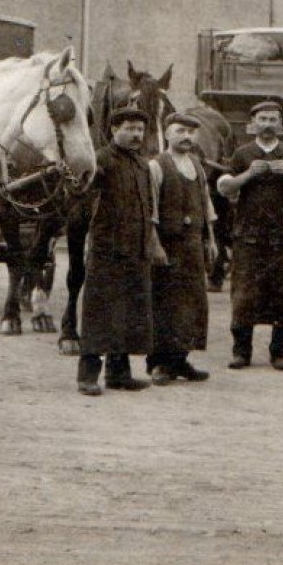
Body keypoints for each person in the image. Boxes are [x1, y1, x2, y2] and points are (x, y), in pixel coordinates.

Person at [216, 100, 283, 370]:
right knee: (244, 296)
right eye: (263, 119)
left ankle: (281, 353)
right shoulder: (242, 154)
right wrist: (248, 173)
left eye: (272, 120)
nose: (268, 125)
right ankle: (241, 351)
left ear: (281, 125)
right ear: (253, 124)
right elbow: (225, 189)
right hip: (249, 238)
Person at [77, 107, 162, 395]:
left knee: (127, 313)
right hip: (107, 250)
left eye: (140, 129)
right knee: (98, 312)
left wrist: (149, 241)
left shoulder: (141, 163)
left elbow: (148, 207)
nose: (137, 134)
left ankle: (119, 374)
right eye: (130, 128)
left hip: (135, 249)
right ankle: (87, 376)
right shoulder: (101, 159)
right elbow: (83, 191)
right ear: (115, 130)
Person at [146, 112, 218, 385]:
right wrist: (155, 245)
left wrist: (210, 239)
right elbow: (150, 210)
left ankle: (180, 360)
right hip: (169, 246)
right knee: (165, 304)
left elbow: (206, 204)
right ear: (166, 134)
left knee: (192, 304)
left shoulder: (197, 166)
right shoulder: (157, 165)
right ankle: (158, 364)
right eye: (180, 131)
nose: (187, 137)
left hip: (193, 245)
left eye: (191, 132)